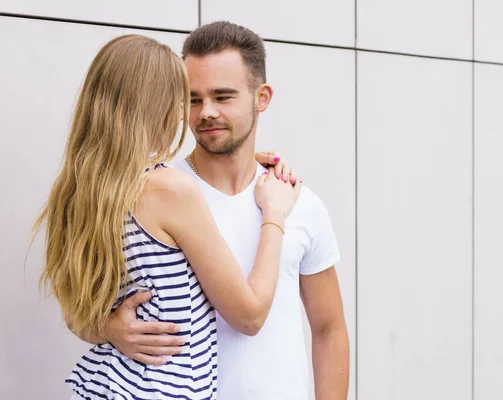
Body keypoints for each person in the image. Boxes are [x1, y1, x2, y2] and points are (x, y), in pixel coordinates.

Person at [35, 34, 302, 400]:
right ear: (155, 105)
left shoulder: (78, 192)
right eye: (182, 100)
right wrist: (275, 213)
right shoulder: (170, 190)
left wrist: (109, 328)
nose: (183, 114)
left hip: (101, 385)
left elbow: (77, 314)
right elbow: (249, 315)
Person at [96, 22, 350, 399]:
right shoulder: (152, 193)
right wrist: (107, 328)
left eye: (223, 96)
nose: (206, 112)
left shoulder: (298, 202)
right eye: (193, 99)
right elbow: (86, 301)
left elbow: (328, 328)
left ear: (261, 96)